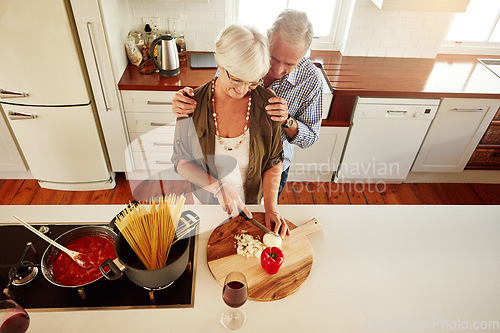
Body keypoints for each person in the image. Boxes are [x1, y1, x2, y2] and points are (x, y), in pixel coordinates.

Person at [172, 9, 324, 197]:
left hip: (269, 173)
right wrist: (185, 101)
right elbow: (220, 89)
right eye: (273, 58)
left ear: (303, 55)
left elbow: (310, 137)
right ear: (267, 37)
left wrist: (287, 120)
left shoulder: (311, 80)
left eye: (290, 64)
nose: (277, 70)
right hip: (216, 176)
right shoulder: (243, 55)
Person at [171, 24, 290, 238]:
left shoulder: (268, 105)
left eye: (252, 83)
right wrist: (219, 189)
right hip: (207, 202)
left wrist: (271, 208)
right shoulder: (190, 105)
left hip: (252, 205)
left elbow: (273, 161)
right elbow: (182, 163)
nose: (242, 90)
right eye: (236, 78)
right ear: (220, 61)